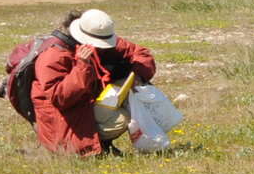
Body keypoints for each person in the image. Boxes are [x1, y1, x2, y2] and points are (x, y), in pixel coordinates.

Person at [22, 9, 156, 156]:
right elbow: (61, 99)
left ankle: (103, 143)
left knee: (139, 91)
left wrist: (137, 76)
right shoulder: (53, 56)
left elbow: (140, 54)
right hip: (65, 120)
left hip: (85, 105)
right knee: (122, 119)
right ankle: (93, 146)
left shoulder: (95, 39)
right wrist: (82, 66)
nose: (101, 46)